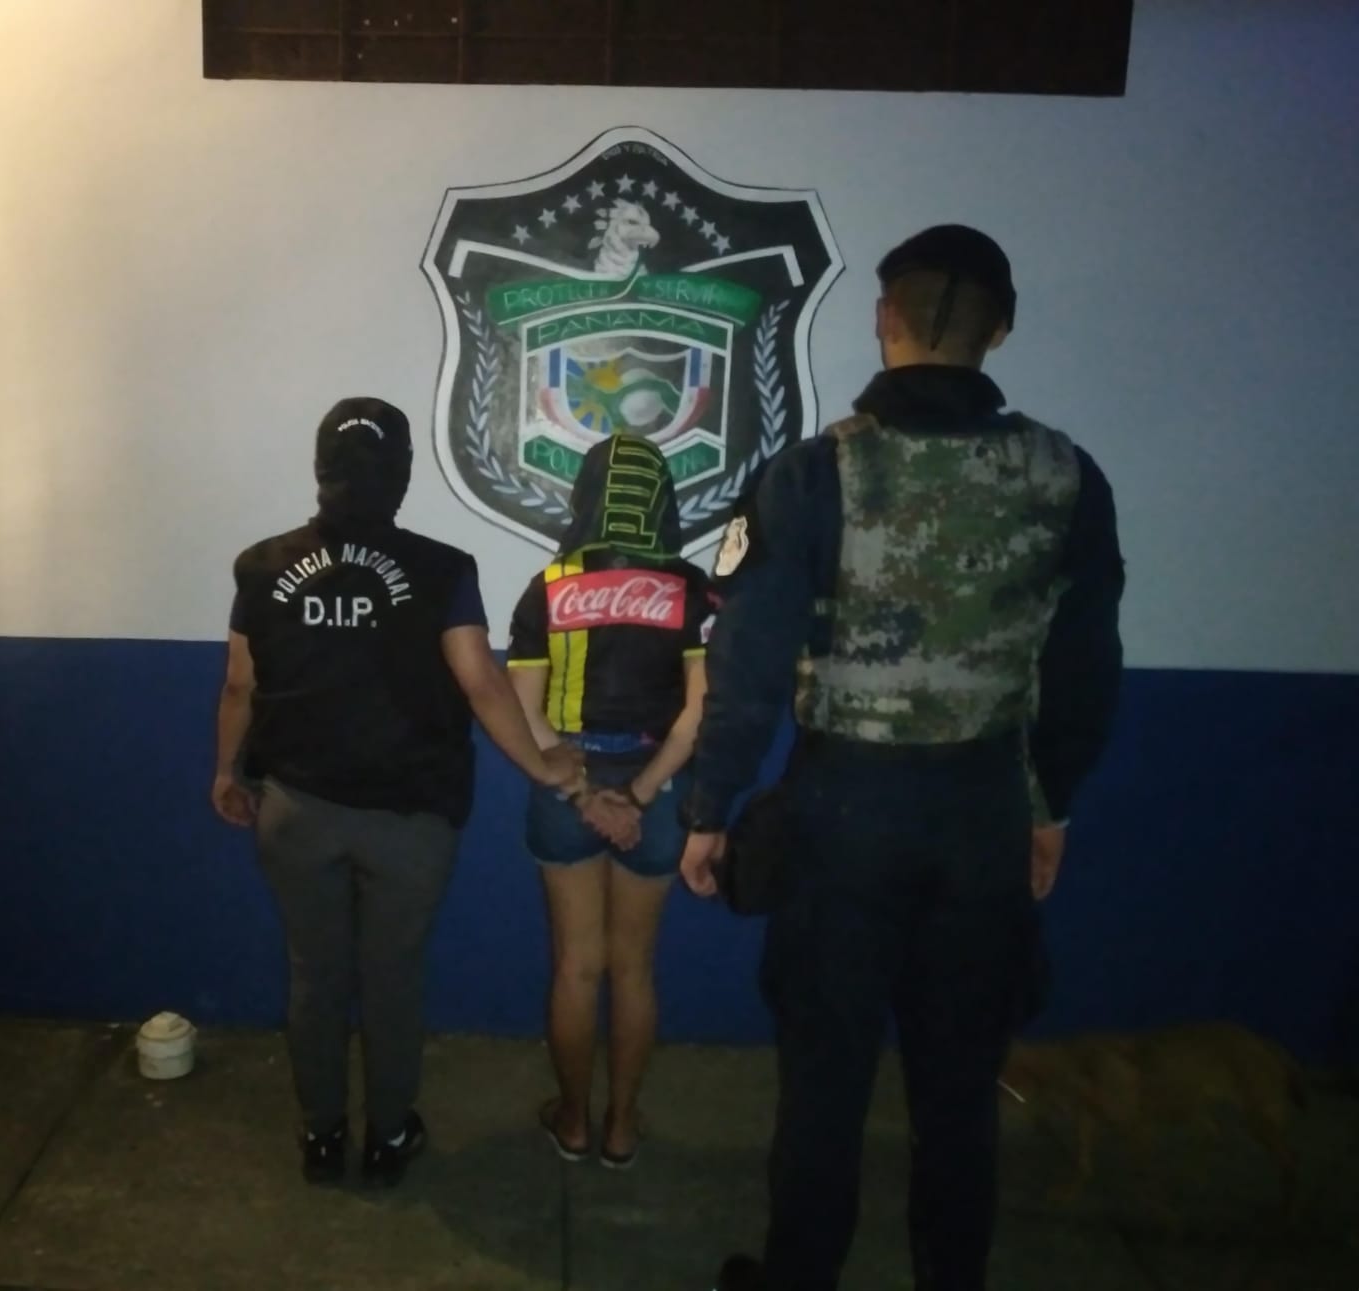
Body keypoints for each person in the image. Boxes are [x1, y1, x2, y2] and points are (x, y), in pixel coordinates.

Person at [681, 227, 1126, 1290]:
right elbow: (1082, 664)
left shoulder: (813, 471)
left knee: (824, 1084)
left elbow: (747, 657)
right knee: (961, 1089)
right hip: (982, 814)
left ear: (885, 318)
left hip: (845, 812)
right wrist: (1048, 805)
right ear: (1000, 330)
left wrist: (709, 806)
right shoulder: (1066, 473)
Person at [212, 396, 582, 1189]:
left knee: (314, 975)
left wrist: (224, 773)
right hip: (410, 819)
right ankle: (386, 1138)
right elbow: (480, 682)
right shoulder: (443, 568)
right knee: (392, 979)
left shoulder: (262, 565)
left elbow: (240, 682)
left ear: (322, 469)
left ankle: (321, 1136)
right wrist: (543, 765)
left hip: (296, 810)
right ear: (403, 473)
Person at [506, 433, 715, 1169]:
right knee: (633, 970)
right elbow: (699, 715)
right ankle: (621, 1128)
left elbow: (522, 709)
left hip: (567, 786)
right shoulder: (691, 588)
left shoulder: (549, 584)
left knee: (576, 967)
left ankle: (572, 1120)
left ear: (587, 494)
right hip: (656, 787)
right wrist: (636, 793)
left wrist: (585, 792)